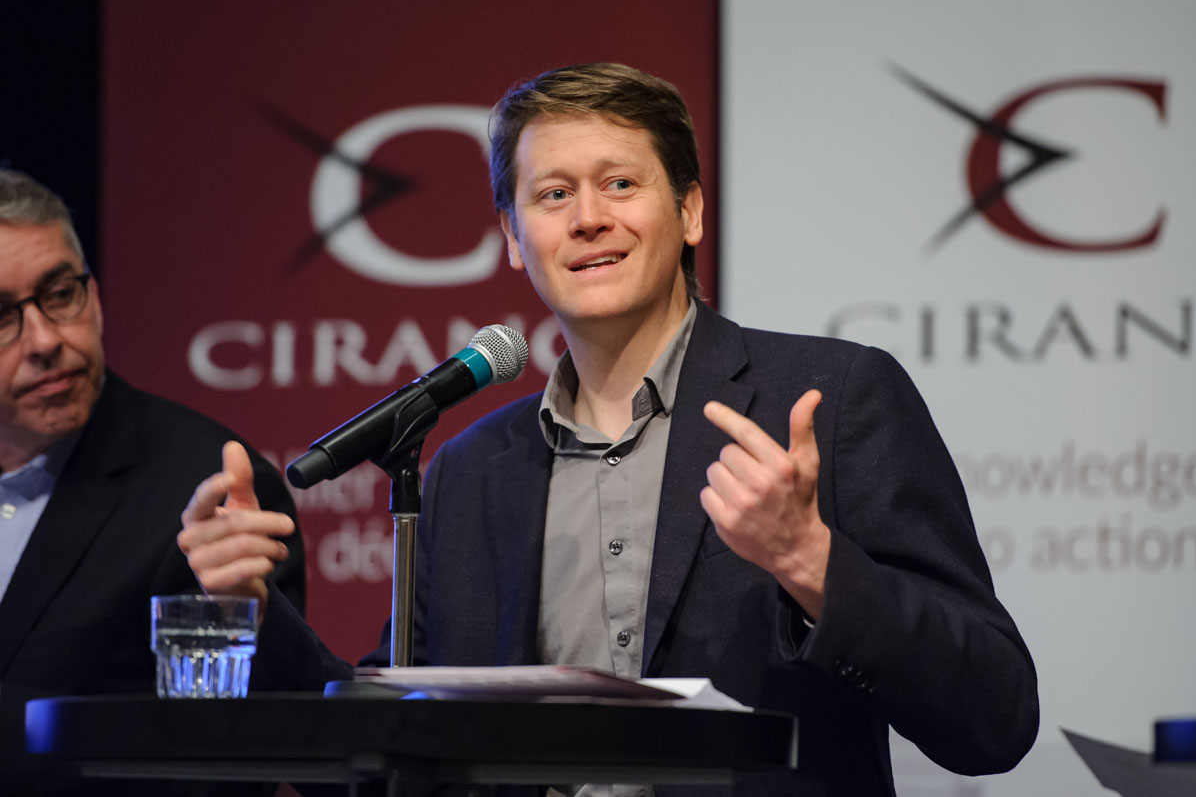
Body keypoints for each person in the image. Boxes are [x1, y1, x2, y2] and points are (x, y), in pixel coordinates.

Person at [181, 63, 1039, 796]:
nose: (588, 217)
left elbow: (995, 718)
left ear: (690, 212)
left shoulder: (831, 400)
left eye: (620, 184)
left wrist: (812, 564)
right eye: (553, 195)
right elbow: (386, 757)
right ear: (513, 237)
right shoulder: (471, 471)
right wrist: (251, 615)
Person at [0, 169, 307, 796]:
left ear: (94, 293)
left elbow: (224, 767)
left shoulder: (208, 495)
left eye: (61, 294)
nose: (45, 340)